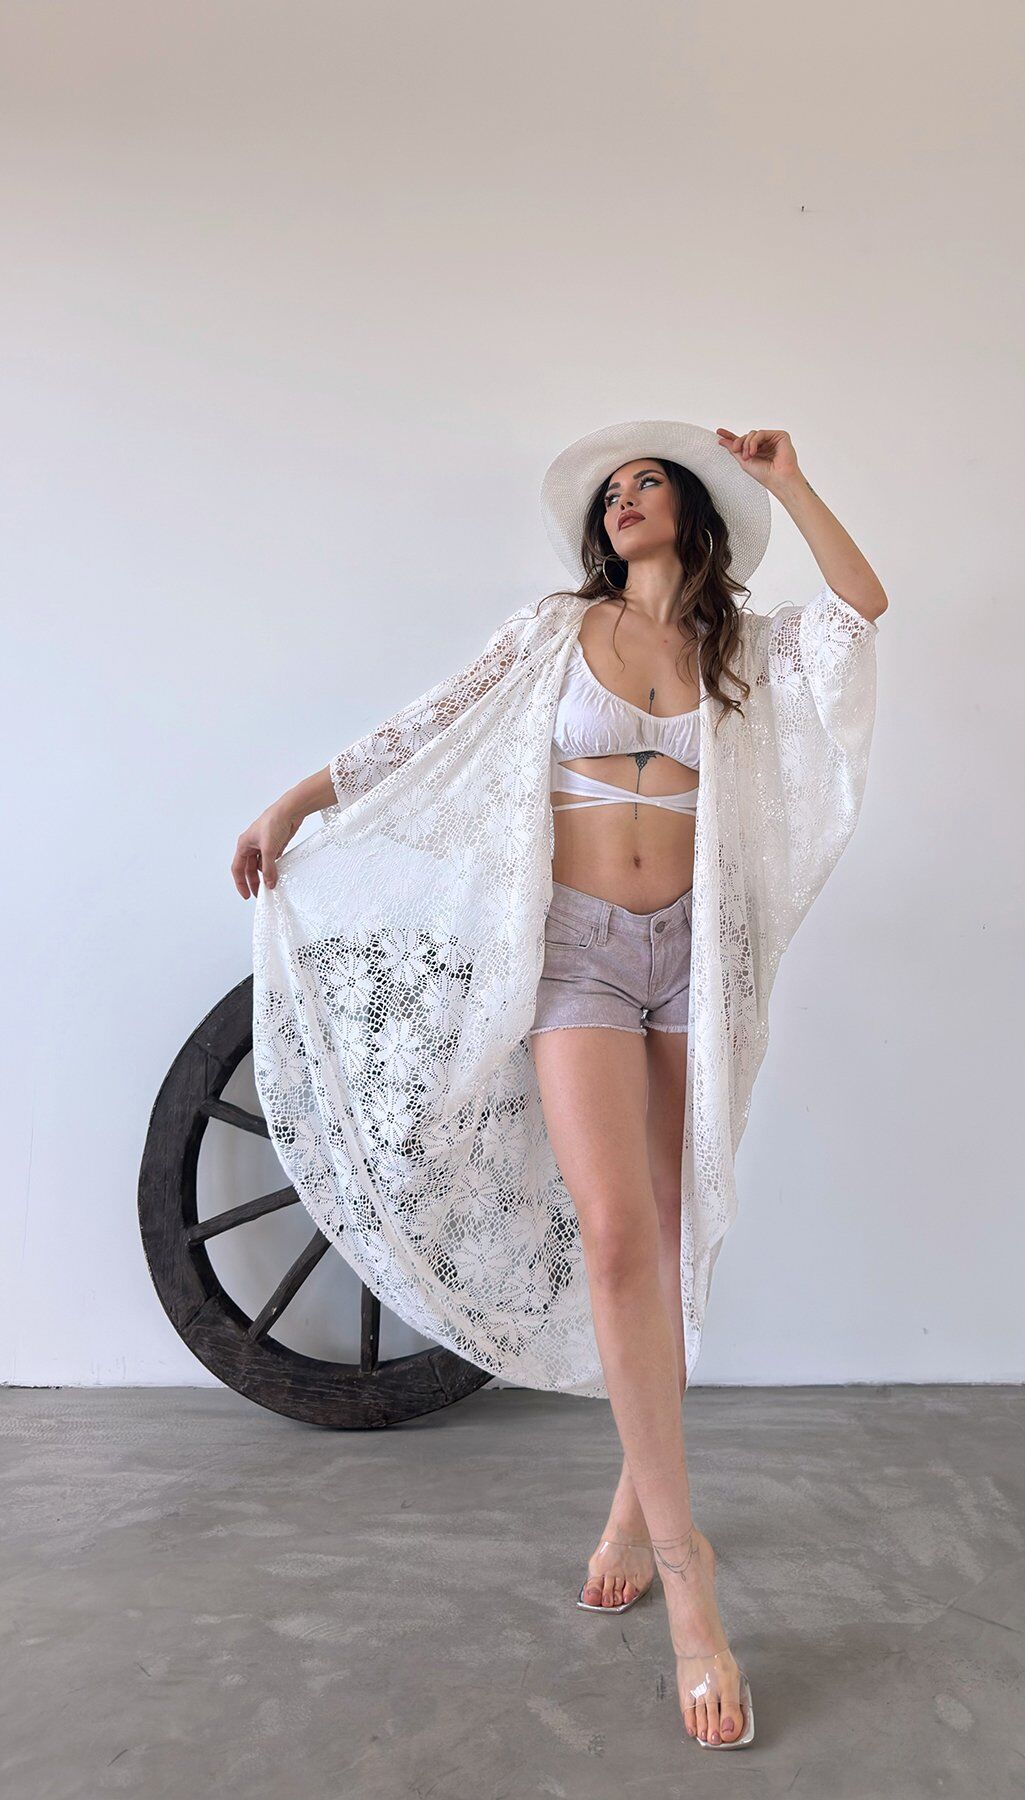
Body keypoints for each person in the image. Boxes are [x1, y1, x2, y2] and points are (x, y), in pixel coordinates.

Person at [232, 420, 887, 1750]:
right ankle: (691, 1580)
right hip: (577, 952)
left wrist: (788, 479)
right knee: (618, 1237)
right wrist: (298, 802)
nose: (624, 499)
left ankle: (637, 1501)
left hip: (693, 957)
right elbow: (432, 723)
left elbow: (861, 609)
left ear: (692, 509)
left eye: (648, 482)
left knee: (676, 1228)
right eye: (611, 493)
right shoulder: (555, 629)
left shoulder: (740, 652)